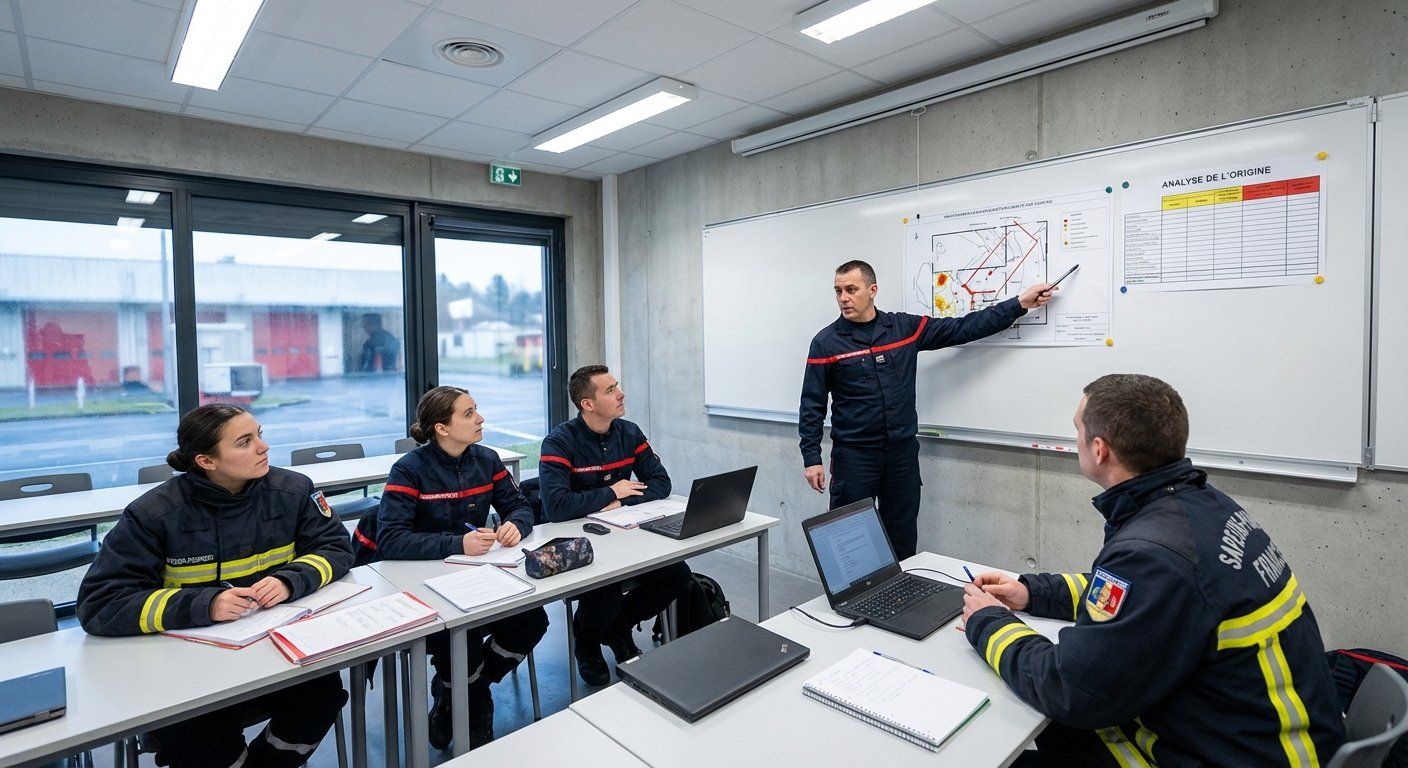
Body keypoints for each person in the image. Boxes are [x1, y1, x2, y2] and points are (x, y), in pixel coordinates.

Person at [961, 374, 1345, 767]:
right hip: (1246, 735)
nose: (1074, 436)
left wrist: (988, 623)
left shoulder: (1156, 553)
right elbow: (1127, 599)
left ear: (1099, 450)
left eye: (1077, 428)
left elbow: (1070, 690)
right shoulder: (1200, 506)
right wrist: (1032, 592)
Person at [76, 404, 352, 768]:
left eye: (260, 434)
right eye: (245, 442)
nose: (263, 447)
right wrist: (204, 605)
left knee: (324, 693)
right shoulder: (154, 514)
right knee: (203, 738)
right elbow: (100, 603)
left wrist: (290, 580)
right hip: (183, 674)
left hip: (273, 653)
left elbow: (336, 548)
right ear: (206, 461)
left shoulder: (293, 490)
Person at [799, 259, 1055, 559]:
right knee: (851, 536)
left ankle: (900, 598)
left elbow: (964, 327)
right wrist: (811, 458)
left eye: (851, 290)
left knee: (902, 532)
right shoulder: (826, 343)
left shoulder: (904, 329)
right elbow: (812, 404)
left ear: (872, 290)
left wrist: (1018, 305)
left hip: (901, 455)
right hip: (854, 457)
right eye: (838, 291)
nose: (843, 298)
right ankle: (851, 601)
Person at [351, 386, 546, 751]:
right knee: (461, 643)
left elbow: (519, 505)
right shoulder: (409, 470)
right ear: (442, 428)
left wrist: (516, 524)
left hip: (480, 576)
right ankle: (473, 703)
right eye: (469, 413)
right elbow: (392, 539)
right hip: (422, 587)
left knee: (533, 622)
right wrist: (458, 543)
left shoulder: (486, 460)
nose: (480, 418)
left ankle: (461, 691)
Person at [539, 365, 691, 686]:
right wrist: (611, 491)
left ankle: (618, 626)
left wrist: (621, 502)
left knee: (676, 575)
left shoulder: (629, 432)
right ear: (587, 404)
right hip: (581, 543)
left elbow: (660, 482)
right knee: (605, 587)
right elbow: (556, 506)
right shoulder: (559, 442)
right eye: (610, 390)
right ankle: (587, 639)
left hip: (625, 532)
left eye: (617, 386)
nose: (620, 394)